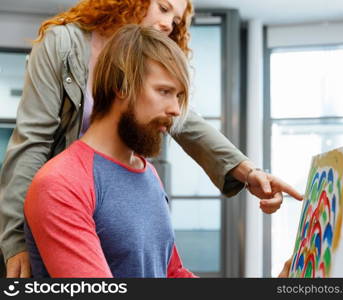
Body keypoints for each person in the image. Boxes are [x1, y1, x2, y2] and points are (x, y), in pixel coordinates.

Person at [0, 0, 303, 278]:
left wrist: (248, 172)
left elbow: (188, 123)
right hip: (69, 199)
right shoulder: (63, 44)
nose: (169, 24)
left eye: (177, 20)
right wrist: (16, 241)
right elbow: (33, 141)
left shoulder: (148, 176)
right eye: (163, 8)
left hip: (114, 179)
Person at [25, 25, 195, 277]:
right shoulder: (61, 183)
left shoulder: (148, 173)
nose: (175, 110)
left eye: (178, 96)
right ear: (121, 86)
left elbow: (172, 273)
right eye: (164, 92)